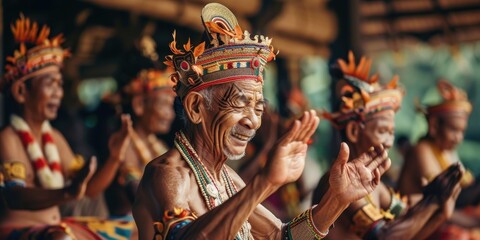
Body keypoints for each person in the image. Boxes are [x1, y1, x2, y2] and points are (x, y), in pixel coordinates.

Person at [133, 3, 392, 239]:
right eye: (239, 103)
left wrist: (336, 201)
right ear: (196, 107)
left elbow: (281, 237)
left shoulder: (228, 180)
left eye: (258, 108)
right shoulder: (167, 175)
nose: (253, 122)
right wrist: (264, 182)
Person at [0, 14, 131, 239]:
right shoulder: (9, 138)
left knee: (129, 229)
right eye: (50, 84)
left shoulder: (55, 138)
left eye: (60, 85)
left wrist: (115, 158)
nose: (59, 93)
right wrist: (66, 193)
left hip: (58, 227)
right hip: (19, 232)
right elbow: (15, 197)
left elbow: (87, 191)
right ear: (21, 92)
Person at [312, 52, 463, 239]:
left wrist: (440, 208)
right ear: (354, 132)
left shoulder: (377, 188)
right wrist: (432, 202)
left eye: (391, 133)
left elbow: (409, 222)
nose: (389, 141)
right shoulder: (338, 181)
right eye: (383, 131)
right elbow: (383, 237)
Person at [105, 35, 176, 218]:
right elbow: (142, 200)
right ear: (139, 105)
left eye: (171, 105)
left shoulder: (159, 146)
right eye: (164, 105)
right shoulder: (124, 145)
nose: (171, 113)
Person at [398, 80, 479, 239]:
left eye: (462, 132)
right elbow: (440, 200)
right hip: (419, 227)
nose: (459, 138)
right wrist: (472, 222)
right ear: (434, 126)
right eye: (454, 130)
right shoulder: (421, 150)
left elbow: (462, 191)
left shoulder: (447, 151)